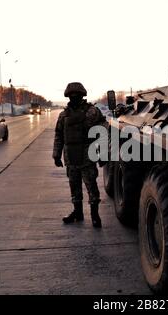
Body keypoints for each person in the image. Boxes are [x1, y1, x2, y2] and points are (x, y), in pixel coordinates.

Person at [53, 82, 105, 228]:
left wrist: (103, 154)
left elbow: (102, 133)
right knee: (74, 187)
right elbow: (59, 136)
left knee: (91, 188)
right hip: (71, 157)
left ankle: (95, 215)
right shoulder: (64, 115)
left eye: (77, 95)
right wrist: (56, 155)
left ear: (82, 95)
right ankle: (77, 212)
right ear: (68, 96)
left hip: (88, 157)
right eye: (71, 95)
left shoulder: (92, 112)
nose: (74, 97)